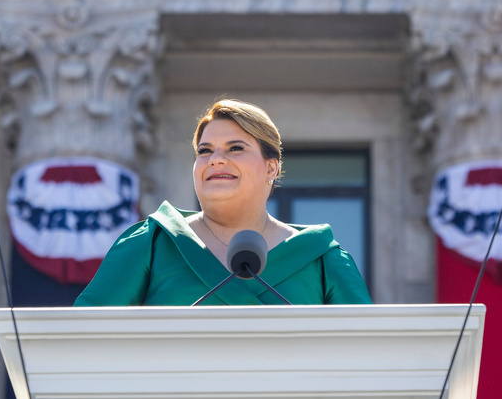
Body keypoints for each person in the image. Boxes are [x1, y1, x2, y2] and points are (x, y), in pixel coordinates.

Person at [74, 99, 371, 306]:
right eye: (205, 151)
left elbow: (371, 355)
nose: (215, 160)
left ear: (271, 168)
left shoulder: (321, 257)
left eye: (235, 148)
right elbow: (80, 342)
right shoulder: (152, 243)